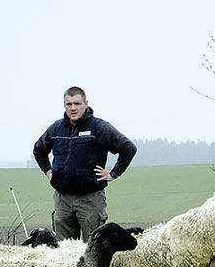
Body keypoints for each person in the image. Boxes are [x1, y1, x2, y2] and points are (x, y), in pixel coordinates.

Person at [32, 86, 137, 242]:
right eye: (69, 104)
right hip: (63, 200)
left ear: (86, 104)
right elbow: (38, 150)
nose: (73, 108)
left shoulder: (99, 127)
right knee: (63, 252)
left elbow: (128, 148)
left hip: (90, 200)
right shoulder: (56, 129)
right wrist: (49, 171)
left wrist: (113, 174)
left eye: (77, 103)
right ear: (64, 105)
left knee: (94, 249)